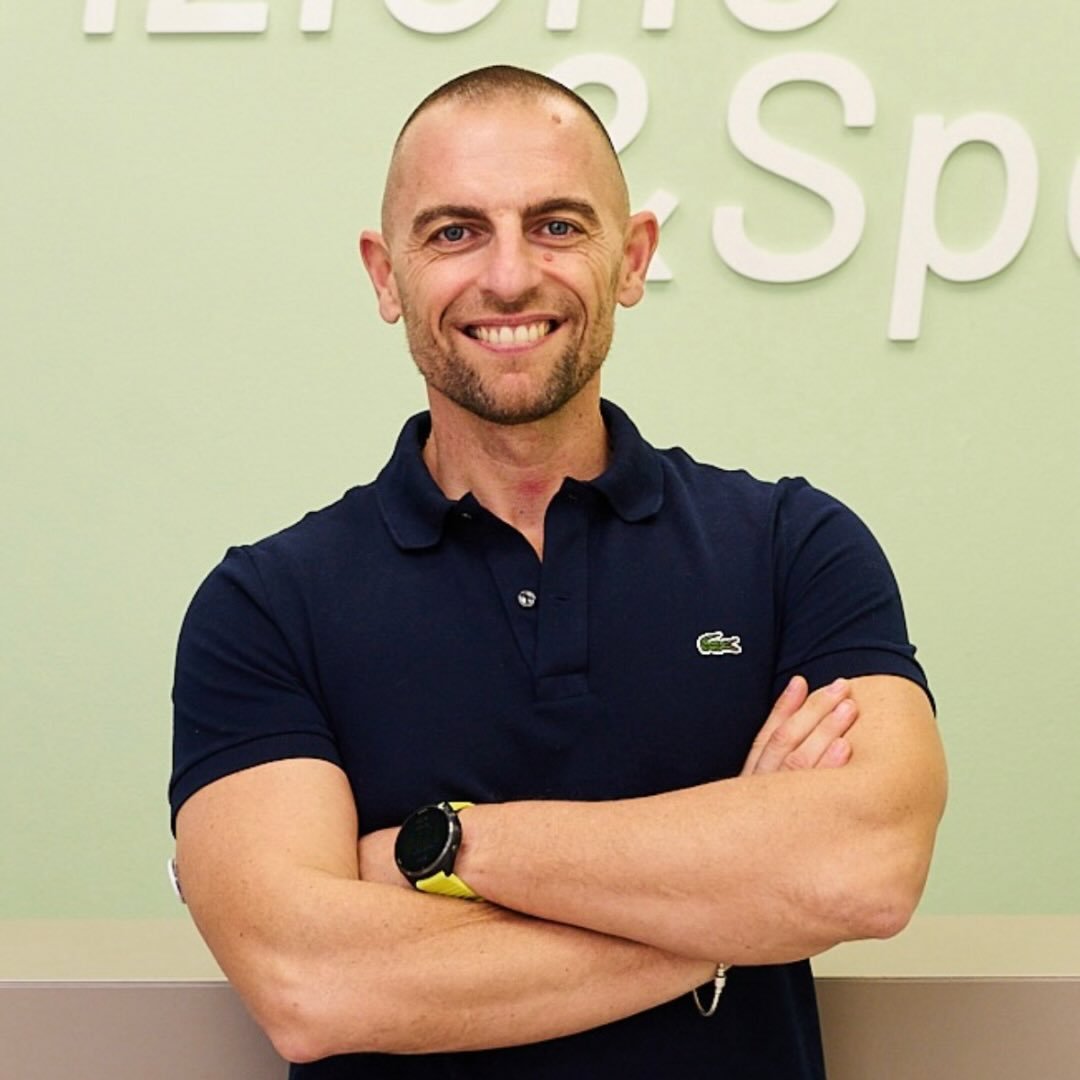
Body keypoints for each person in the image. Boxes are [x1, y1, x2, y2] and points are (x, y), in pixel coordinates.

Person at [169, 65, 946, 1079]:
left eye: (557, 226)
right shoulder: (265, 607)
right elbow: (314, 986)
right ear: (383, 272)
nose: (507, 277)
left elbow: (865, 872)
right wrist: (731, 908)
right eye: (453, 231)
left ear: (633, 258)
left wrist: (441, 850)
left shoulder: (793, 546)